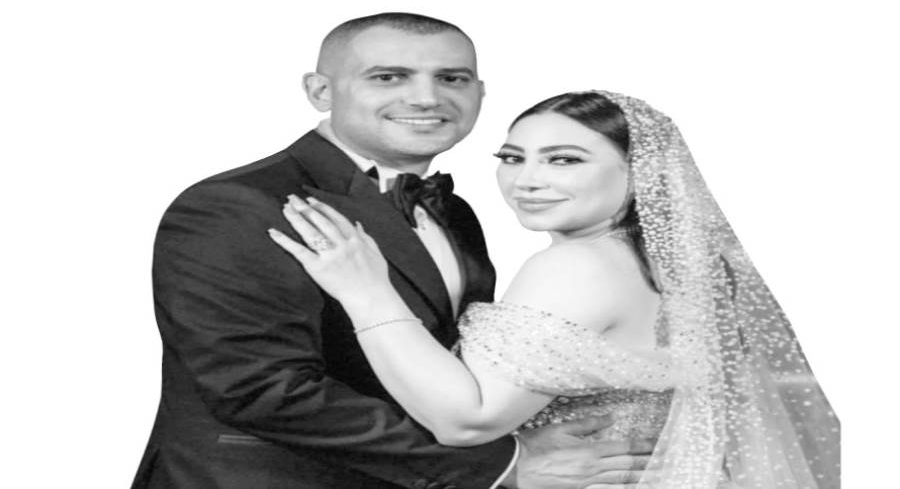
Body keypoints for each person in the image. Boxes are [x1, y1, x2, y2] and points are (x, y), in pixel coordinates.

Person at [133, 14, 651, 489]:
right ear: (319, 91)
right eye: (388, 77)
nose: (426, 98)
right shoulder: (240, 204)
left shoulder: (457, 213)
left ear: (480, 92)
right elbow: (260, 389)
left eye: (452, 78)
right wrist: (503, 464)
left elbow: (452, 369)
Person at [269, 90, 841, 487]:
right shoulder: (661, 267)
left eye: (563, 160)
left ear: (639, 173)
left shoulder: (578, 266)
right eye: (512, 158)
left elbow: (469, 419)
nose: (527, 180)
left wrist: (366, 291)